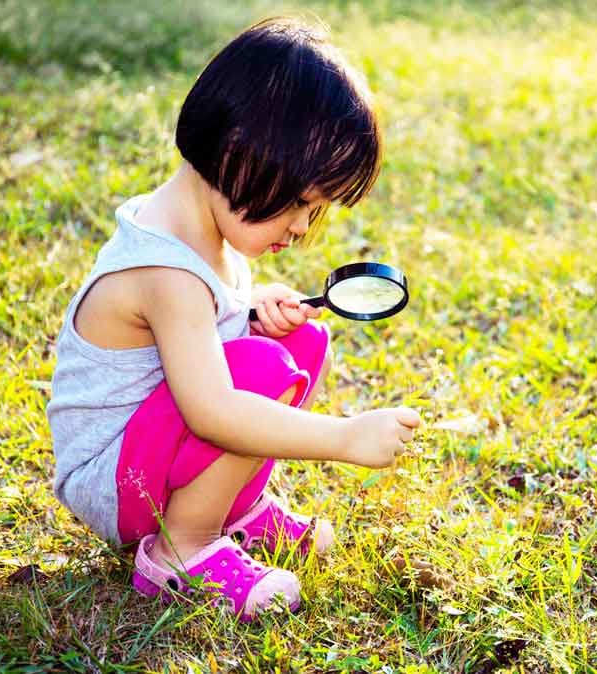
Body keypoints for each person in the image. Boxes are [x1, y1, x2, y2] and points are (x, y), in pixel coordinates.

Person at [46, 16, 420, 621]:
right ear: (238, 152)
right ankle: (182, 548)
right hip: (114, 482)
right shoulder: (166, 272)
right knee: (263, 371)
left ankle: (233, 513)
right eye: (300, 203)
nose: (301, 227)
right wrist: (344, 437)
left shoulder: (203, 227)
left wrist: (248, 309)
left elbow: (195, 338)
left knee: (301, 338)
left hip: (150, 449)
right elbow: (212, 410)